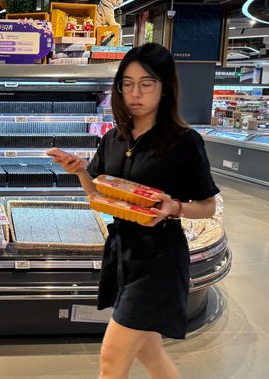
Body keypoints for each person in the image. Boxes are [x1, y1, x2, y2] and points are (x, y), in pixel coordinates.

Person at [47, 43, 219, 379]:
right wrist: (81, 170)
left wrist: (175, 207)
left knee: (111, 363)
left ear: (165, 87)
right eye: (126, 83)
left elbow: (208, 206)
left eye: (146, 83)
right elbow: (98, 194)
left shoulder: (184, 142)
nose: (134, 93)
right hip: (122, 254)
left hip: (160, 259)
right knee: (151, 355)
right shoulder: (114, 138)